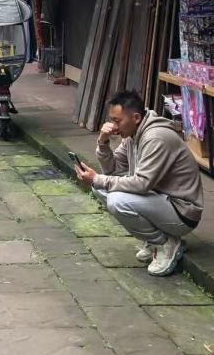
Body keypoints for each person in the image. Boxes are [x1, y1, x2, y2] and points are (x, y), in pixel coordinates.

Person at [75, 89, 204, 277]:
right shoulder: (132, 135)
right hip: (161, 200)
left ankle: (165, 243)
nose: (113, 126)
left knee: (116, 200)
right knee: (101, 189)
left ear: (136, 117)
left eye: (117, 121)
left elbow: (142, 183)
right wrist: (103, 143)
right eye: (112, 120)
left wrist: (96, 179)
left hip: (182, 212)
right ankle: (155, 240)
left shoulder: (156, 137)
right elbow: (113, 170)